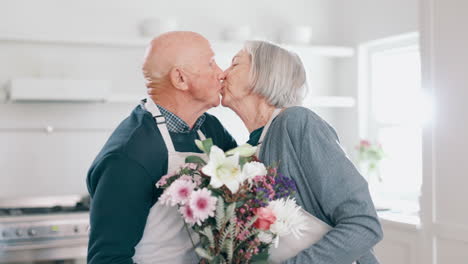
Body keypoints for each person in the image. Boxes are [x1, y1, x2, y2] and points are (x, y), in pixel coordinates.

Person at [220, 40, 383, 263]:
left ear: (262, 75)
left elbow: (363, 224)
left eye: (234, 64)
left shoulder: (297, 122)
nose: (222, 74)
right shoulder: (248, 147)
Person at [86, 31, 237, 264]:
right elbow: (107, 259)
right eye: (210, 63)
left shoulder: (210, 128)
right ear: (180, 79)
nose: (221, 73)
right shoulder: (128, 156)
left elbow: (245, 183)